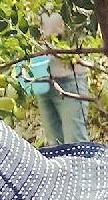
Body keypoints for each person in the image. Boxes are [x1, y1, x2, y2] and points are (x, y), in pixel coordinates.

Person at [35, 11, 90, 144]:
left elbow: (57, 31)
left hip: (69, 80)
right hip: (42, 80)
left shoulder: (71, 1)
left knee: (76, 143)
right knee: (55, 146)